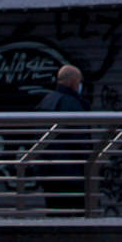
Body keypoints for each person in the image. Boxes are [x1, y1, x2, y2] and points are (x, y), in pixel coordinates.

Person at [36, 64, 88, 214]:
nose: (80, 85)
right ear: (72, 82)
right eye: (79, 81)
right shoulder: (71, 104)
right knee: (76, 216)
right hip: (70, 173)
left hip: (48, 171)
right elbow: (80, 139)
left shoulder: (47, 101)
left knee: (55, 214)